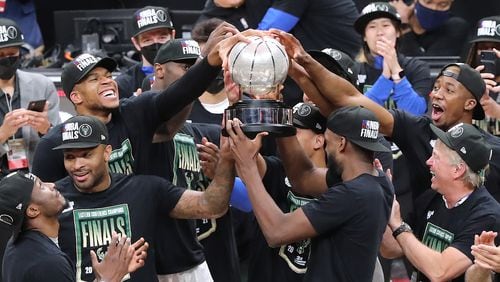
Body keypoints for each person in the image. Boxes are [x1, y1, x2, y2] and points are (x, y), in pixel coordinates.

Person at [31, 23, 238, 182]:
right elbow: (44, 206)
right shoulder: (53, 144)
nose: (107, 82)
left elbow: (179, 94)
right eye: (94, 79)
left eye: (108, 76)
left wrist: (207, 59)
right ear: (76, 97)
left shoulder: (134, 112)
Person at [54, 115, 235, 282]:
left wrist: (226, 162)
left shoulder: (143, 189)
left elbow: (211, 206)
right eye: (70, 157)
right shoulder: (54, 201)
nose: (77, 165)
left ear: (107, 152)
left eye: (87, 155)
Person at [226, 105, 394, 281]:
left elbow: (277, 232)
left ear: (342, 144)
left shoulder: (353, 195)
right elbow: (304, 177)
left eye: (328, 142)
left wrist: (248, 167)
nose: (326, 150)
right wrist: (282, 120)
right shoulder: (379, 182)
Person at [148, 38, 241, 282]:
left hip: (210, 255)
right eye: (187, 68)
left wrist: (223, 172)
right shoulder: (136, 131)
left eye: (198, 68)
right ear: (158, 70)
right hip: (156, 259)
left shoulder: (208, 135)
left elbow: (250, 201)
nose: (195, 76)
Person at [380, 123, 500, 280]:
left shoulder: (486, 215)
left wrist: (398, 225)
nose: (428, 162)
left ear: (458, 169)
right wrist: (384, 201)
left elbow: (440, 272)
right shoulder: (431, 198)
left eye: (435, 156)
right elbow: (391, 249)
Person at [0, 171, 148, 281]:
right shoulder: (48, 263)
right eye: (41, 186)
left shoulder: (16, 247)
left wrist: (110, 274)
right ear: (33, 210)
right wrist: (110, 279)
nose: (52, 185)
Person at [0, 17, 61, 278]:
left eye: (12, 53)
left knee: (40, 260)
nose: (7, 58)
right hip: (2, 189)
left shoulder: (41, 85)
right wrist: (3, 134)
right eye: (0, 54)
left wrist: (47, 130)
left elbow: (61, 141)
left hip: (37, 184)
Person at [199, 0, 362, 57]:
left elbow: (263, 37)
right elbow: (201, 35)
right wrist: (217, 4)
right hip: (302, 63)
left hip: (340, 64)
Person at [353, 2, 430, 115]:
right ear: (364, 37)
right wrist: (385, 77)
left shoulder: (417, 67)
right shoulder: (353, 70)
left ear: (398, 32)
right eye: (372, 27)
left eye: (385, 25)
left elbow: (416, 112)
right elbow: (356, 114)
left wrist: (395, 69)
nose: (380, 32)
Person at [115, 6, 176, 98]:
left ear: (172, 36)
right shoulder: (123, 85)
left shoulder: (189, 73)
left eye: (162, 37)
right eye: (147, 40)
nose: (156, 44)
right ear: (136, 43)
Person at [390, 0, 469, 56]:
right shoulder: (389, 25)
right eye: (428, 2)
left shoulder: (455, 27)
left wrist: (404, 26)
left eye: (443, 4)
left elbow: (427, 67)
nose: (434, 8)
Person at [465, 16, 500, 135]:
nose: (491, 52)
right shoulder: (461, 81)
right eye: (483, 48)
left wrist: (497, 113)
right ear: (475, 50)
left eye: (497, 47)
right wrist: (468, 91)